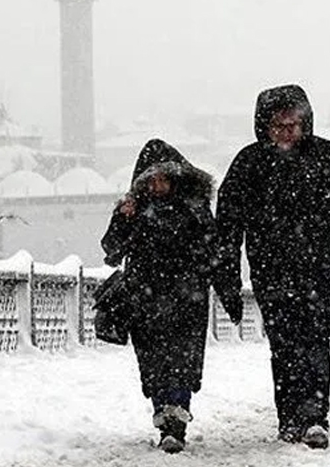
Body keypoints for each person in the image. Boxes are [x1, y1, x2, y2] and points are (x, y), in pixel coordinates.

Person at [214, 84, 330, 450]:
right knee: (284, 344)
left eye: (293, 124)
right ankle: (290, 418)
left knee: (315, 340)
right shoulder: (249, 164)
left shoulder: (329, 157)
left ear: (305, 123)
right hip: (271, 271)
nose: (287, 132)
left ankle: (314, 417)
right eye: (279, 126)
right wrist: (227, 276)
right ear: (265, 126)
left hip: (320, 269)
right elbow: (227, 225)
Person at [101, 139, 243, 454]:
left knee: (182, 361)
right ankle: (164, 416)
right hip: (145, 300)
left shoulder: (195, 210)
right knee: (153, 363)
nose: (157, 186)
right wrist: (122, 218)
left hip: (187, 300)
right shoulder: (135, 210)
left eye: (163, 178)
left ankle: (175, 422)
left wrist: (229, 293)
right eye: (151, 180)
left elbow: (215, 255)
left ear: (176, 178)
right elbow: (111, 252)